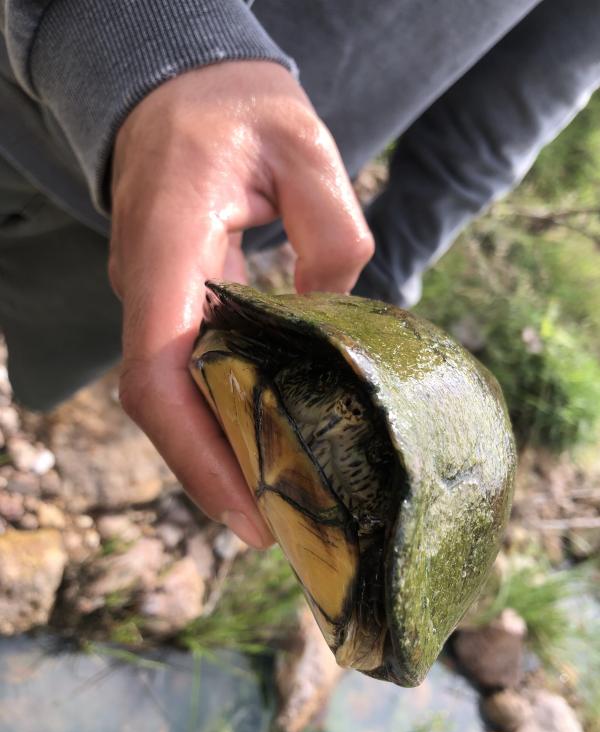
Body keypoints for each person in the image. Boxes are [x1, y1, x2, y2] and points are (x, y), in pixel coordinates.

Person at [1, 0, 599, 548]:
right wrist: (145, 32)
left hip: (203, 246)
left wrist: (382, 286)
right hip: (29, 83)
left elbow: (510, 112)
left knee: (45, 362)